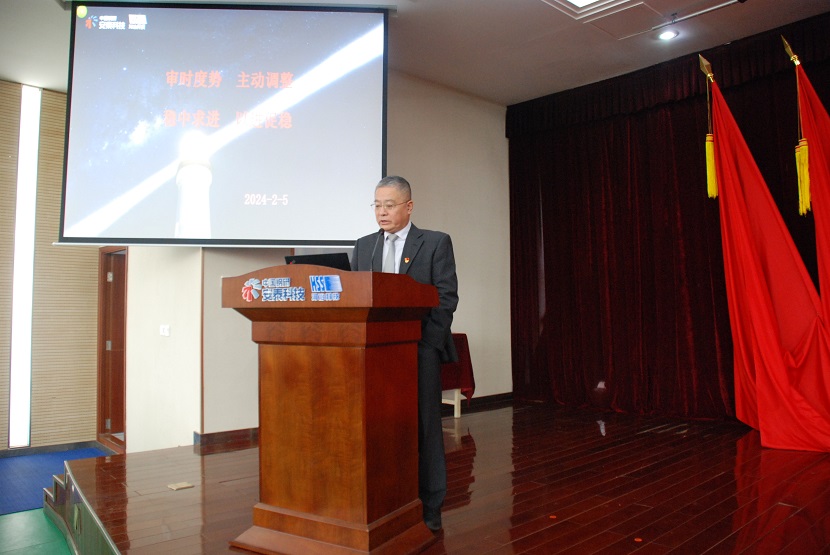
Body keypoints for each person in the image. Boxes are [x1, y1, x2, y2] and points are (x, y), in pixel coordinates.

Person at [351, 176, 459, 532]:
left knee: (426, 427)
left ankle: (431, 506)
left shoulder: (435, 242)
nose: (382, 212)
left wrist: (426, 344)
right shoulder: (363, 246)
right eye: (377, 205)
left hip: (420, 350)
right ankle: (389, 499)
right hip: (376, 354)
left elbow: (446, 297)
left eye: (390, 205)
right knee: (382, 427)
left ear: (408, 206)